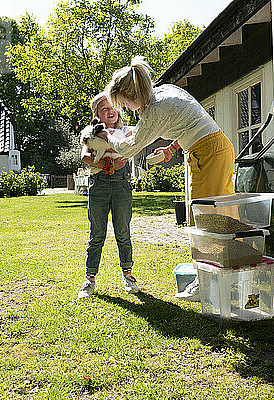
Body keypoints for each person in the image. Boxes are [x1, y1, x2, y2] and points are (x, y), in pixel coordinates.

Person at [100, 56, 236, 300]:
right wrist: (171, 149)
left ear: (134, 97)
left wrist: (105, 135)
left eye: (124, 104)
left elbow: (128, 148)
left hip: (207, 154)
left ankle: (205, 283)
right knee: (219, 218)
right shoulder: (166, 91)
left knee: (203, 219)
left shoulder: (154, 111)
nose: (127, 110)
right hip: (216, 148)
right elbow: (190, 122)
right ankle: (224, 277)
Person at [78, 92, 139, 299]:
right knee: (97, 234)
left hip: (122, 185)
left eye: (112, 106)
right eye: (104, 109)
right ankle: (90, 279)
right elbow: (85, 156)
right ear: (97, 115)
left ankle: (128, 276)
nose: (110, 111)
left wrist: (122, 159)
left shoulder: (126, 131)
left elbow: (133, 148)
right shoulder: (92, 134)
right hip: (99, 185)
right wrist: (105, 164)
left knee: (123, 232)